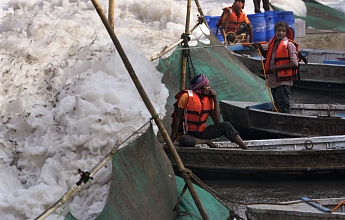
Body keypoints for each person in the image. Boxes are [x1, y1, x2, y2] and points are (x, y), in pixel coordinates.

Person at [170, 74, 248, 149]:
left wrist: (215, 100)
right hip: (187, 134)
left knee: (226, 125)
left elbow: (217, 122)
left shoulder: (210, 100)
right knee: (183, 140)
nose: (209, 88)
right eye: (207, 86)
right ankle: (206, 142)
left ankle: (246, 149)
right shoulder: (186, 96)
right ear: (200, 87)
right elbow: (177, 119)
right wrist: (171, 141)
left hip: (202, 132)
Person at [253, 21, 299, 113]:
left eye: (283, 31)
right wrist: (260, 48)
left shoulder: (289, 45)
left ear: (286, 33)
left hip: (283, 82)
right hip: (273, 80)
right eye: (278, 30)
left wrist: (275, 68)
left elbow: (294, 63)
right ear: (275, 31)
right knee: (277, 105)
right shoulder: (273, 44)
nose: (280, 33)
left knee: (284, 105)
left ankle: (286, 123)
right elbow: (269, 57)